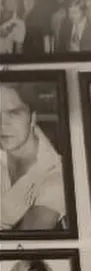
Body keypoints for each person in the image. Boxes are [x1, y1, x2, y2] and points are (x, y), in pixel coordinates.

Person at [1, 83, 66, 232]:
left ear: (32, 117)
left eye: (13, 113)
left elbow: (23, 244)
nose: (2, 125)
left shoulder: (57, 175)